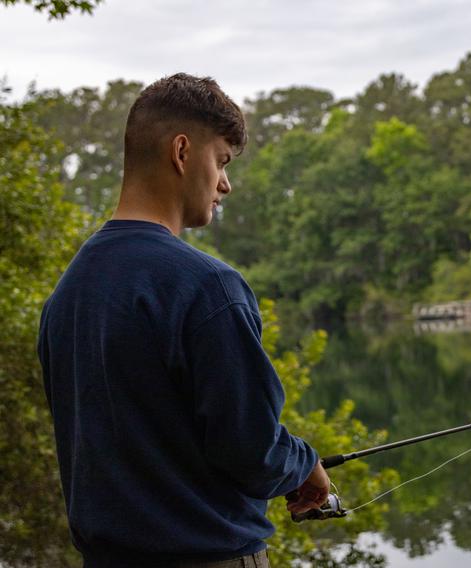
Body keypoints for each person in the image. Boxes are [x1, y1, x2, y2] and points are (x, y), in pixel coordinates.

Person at [37, 73, 329, 567]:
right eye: (222, 161)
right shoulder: (207, 287)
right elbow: (252, 451)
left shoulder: (68, 292)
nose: (225, 185)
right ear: (182, 152)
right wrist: (305, 463)